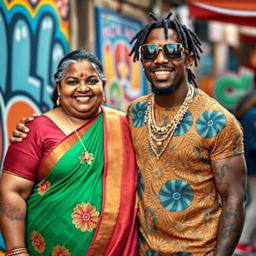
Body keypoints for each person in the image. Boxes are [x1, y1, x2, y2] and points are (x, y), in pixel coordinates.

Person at [9, 12, 247, 256]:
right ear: (142, 60)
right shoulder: (134, 114)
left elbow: (234, 199)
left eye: (173, 51)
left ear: (189, 59)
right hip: (142, 250)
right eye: (150, 52)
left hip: (198, 252)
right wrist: (32, 130)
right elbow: (82, 123)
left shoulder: (218, 122)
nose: (160, 59)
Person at [0, 49, 138, 256]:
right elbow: (12, 192)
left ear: (103, 87)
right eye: (72, 82)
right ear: (59, 88)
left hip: (115, 248)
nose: (83, 88)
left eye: (92, 81)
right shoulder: (35, 130)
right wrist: (17, 251)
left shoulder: (124, 126)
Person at [234, 90, 256, 256]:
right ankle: (243, 241)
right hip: (253, 165)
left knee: (251, 202)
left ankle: (248, 241)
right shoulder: (253, 115)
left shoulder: (247, 114)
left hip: (247, 164)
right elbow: (252, 144)